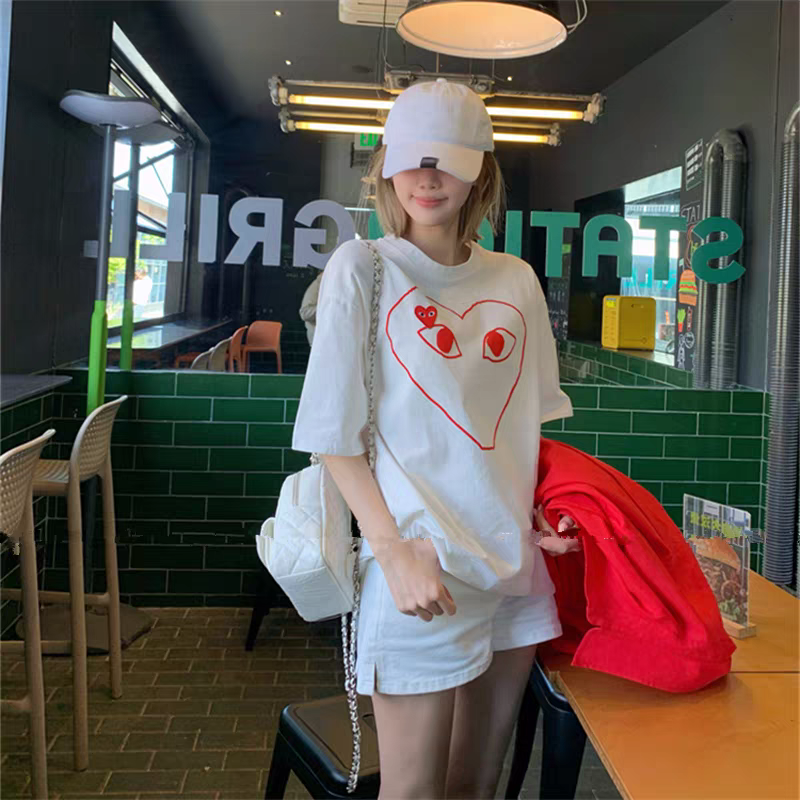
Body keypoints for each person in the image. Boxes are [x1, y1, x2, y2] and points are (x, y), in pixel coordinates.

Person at [291, 78, 581, 800]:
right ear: (386, 165)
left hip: (515, 567)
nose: (428, 178)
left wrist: (544, 510)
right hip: (422, 568)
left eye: (448, 160)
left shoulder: (515, 281)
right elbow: (332, 435)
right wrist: (392, 551)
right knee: (413, 792)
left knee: (475, 785)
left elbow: (521, 423)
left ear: (480, 170)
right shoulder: (363, 267)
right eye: (413, 160)